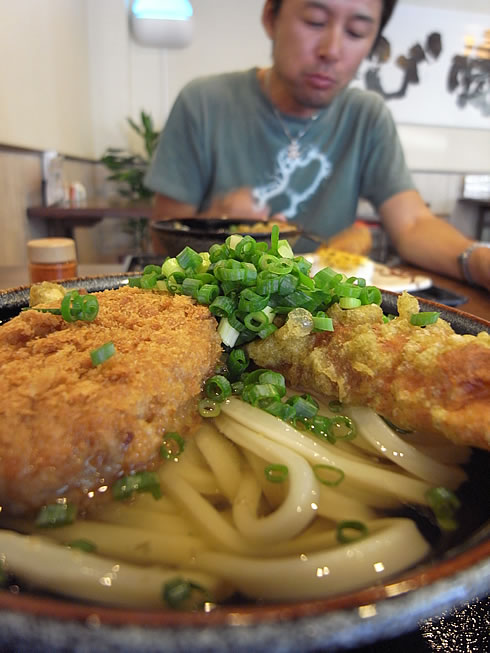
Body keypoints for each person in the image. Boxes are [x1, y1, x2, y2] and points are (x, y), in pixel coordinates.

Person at [145, 0, 490, 290]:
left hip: (322, 303)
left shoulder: (366, 116)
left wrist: (477, 260)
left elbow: (413, 224)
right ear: (270, 17)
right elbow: (164, 237)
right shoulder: (205, 102)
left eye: (356, 32)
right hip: (221, 296)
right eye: (315, 21)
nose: (332, 51)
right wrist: (215, 223)